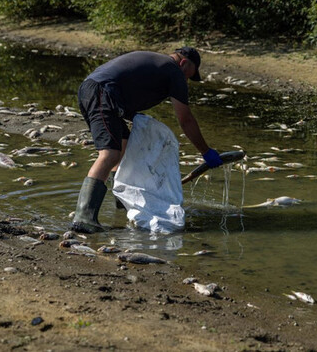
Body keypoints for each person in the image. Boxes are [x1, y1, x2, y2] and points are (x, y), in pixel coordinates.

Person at [72, 47, 223, 233]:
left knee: (123, 145)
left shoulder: (158, 63)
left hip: (94, 90)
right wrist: (205, 151)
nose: (185, 81)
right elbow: (185, 119)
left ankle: (123, 203)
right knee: (109, 154)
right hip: (102, 92)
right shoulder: (173, 70)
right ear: (183, 63)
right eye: (188, 76)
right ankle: (84, 218)